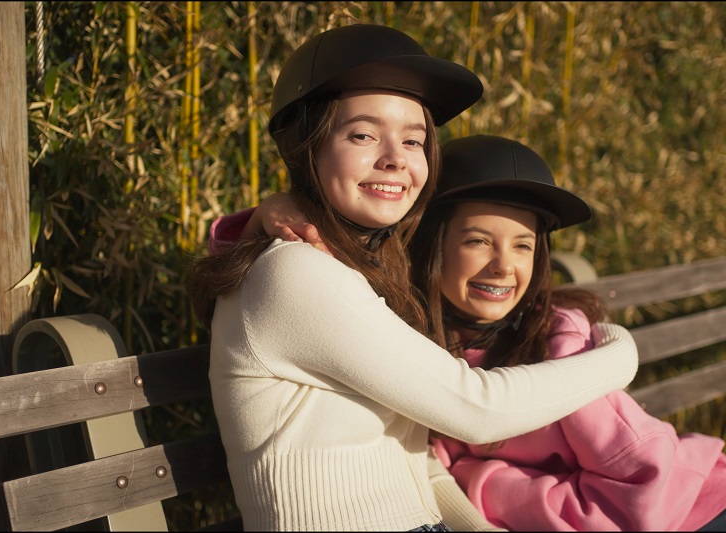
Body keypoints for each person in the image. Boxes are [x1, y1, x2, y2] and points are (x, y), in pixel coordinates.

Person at [188, 23, 639, 532]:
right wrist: (620, 353)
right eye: (362, 134)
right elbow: (476, 408)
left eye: (414, 139)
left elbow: (410, 451)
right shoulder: (296, 272)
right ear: (306, 145)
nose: (396, 159)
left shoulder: (355, 265)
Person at [409, 135, 726, 532]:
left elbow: (637, 495)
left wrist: (485, 485)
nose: (503, 266)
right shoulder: (418, 348)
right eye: (478, 241)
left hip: (691, 509)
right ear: (432, 245)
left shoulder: (565, 347)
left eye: (522, 246)